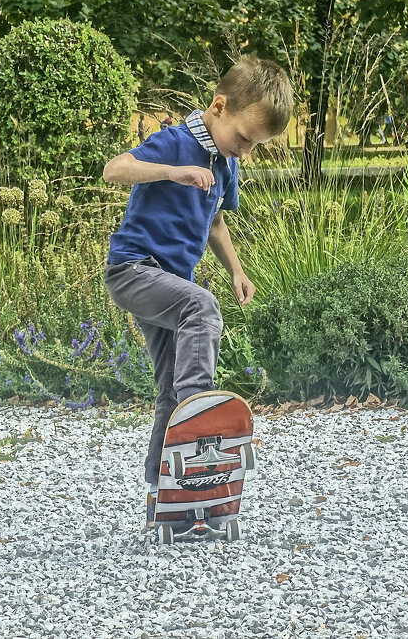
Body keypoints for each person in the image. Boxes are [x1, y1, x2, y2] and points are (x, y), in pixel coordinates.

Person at [101, 55, 293, 529]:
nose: (246, 150)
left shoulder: (226, 166)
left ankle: (163, 499)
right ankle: (199, 410)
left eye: (256, 146)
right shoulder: (175, 142)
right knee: (201, 307)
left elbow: (218, 223)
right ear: (219, 106)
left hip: (170, 287)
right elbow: (113, 169)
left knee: (167, 388)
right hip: (132, 270)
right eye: (245, 138)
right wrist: (171, 171)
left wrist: (237, 270)